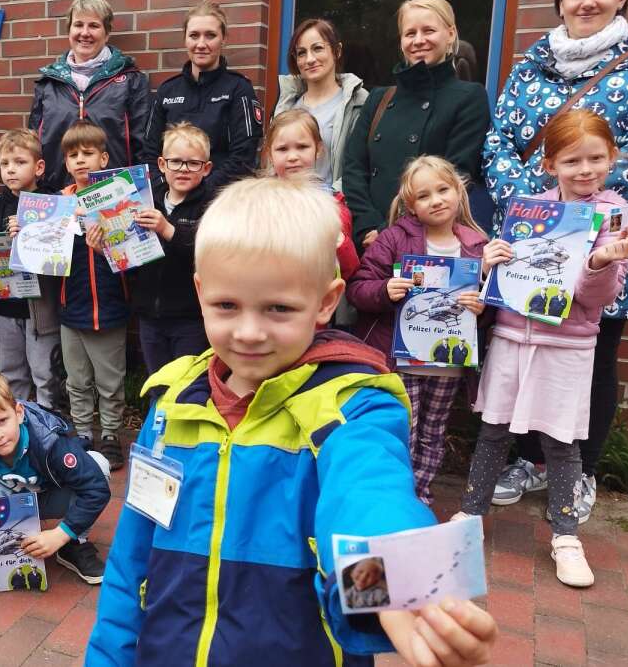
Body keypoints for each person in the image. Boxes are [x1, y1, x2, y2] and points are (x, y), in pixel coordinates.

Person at [86, 177, 498, 666]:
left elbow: (369, 493)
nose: (249, 332)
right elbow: (131, 560)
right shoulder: (169, 403)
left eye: (279, 308)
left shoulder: (351, 403)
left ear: (326, 302)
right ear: (201, 293)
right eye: (226, 305)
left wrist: (402, 580)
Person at [482, 0, 628, 515]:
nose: (588, 1)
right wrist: (535, 206)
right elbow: (499, 143)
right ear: (560, 3)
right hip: (530, 244)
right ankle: (528, 460)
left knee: (595, 358)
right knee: (523, 346)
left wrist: (578, 207)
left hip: (604, 241)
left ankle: (579, 470)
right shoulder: (528, 68)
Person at [455, 110, 628, 588]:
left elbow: (598, 298)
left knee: (562, 442)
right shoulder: (530, 208)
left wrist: (600, 261)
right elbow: (507, 279)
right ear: (550, 163)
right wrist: (489, 260)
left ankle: (565, 536)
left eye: (596, 159)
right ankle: (470, 517)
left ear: (612, 158)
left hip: (568, 345)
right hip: (513, 337)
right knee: (493, 431)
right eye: (572, 160)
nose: (585, 170)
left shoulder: (615, 214)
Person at [346, 156, 488, 504]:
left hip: (448, 362)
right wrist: (385, 290)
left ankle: (418, 494)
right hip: (402, 358)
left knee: (433, 430)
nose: (436, 200)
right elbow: (358, 288)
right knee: (402, 431)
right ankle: (394, 496)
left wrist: (482, 309)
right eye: (424, 196)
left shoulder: (476, 245)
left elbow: (491, 308)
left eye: (443, 190)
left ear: (458, 191)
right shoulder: (394, 239)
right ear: (411, 205)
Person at [342, 0, 491, 253]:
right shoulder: (378, 98)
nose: (418, 40)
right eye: (410, 33)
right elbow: (354, 167)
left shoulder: (469, 97)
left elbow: (459, 175)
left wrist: (401, 235)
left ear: (451, 33)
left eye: (428, 30)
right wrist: (368, 226)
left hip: (429, 244)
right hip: (371, 242)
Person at [0, 372, 110, 584]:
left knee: (99, 465)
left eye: (2, 421)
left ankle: (74, 543)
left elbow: (95, 489)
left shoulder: (49, 441)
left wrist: (60, 535)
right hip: (13, 502)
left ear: (19, 413)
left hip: (54, 495)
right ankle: (0, 546)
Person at [0, 128, 61, 408]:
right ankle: (16, 424)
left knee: (45, 374)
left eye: (20, 162)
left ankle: (49, 425)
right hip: (5, 306)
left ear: (39, 166)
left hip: (40, 308)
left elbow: (60, 257)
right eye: (5, 164)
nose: (10, 170)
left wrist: (31, 234)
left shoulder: (53, 203)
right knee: (10, 374)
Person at [60, 120, 129, 471]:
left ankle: (112, 435)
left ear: (104, 158)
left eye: (88, 153)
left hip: (108, 305)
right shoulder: (59, 202)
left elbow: (135, 252)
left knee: (109, 380)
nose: (80, 161)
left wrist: (107, 246)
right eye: (73, 155)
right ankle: (84, 431)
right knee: (76, 378)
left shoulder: (120, 196)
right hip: (71, 306)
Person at [29, 0, 151, 189]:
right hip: (58, 197)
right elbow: (34, 144)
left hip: (115, 195)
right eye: (78, 25)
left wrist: (140, 192)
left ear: (107, 33)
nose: (85, 33)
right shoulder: (48, 84)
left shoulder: (131, 80)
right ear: (69, 30)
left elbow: (143, 144)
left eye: (93, 25)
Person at [142, 2, 261, 192]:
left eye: (210, 35)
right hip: (171, 200)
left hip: (219, 201)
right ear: (185, 40)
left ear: (224, 39)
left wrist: (199, 193)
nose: (201, 44)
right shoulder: (167, 91)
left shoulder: (239, 88)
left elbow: (243, 157)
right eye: (194, 35)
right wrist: (167, 191)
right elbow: (149, 153)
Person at [130, 122, 213, 374]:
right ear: (162, 165)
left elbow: (206, 251)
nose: (183, 169)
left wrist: (168, 230)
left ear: (206, 168)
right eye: (175, 162)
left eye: (193, 163)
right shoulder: (145, 201)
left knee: (188, 381)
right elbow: (131, 254)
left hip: (190, 318)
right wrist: (105, 247)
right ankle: (159, 413)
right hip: (149, 316)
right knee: (157, 380)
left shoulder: (210, 205)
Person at [265, 110, 360, 280]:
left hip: (314, 294)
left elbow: (349, 269)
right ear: (270, 155)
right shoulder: (257, 202)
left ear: (318, 149)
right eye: (282, 149)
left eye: (302, 147)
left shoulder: (332, 203)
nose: (292, 156)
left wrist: (339, 242)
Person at [274, 18, 367, 191]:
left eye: (317, 48)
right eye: (301, 53)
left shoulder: (358, 103)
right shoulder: (287, 104)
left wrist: (331, 198)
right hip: (288, 208)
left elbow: (360, 167)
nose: (309, 59)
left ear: (336, 51)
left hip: (335, 208)